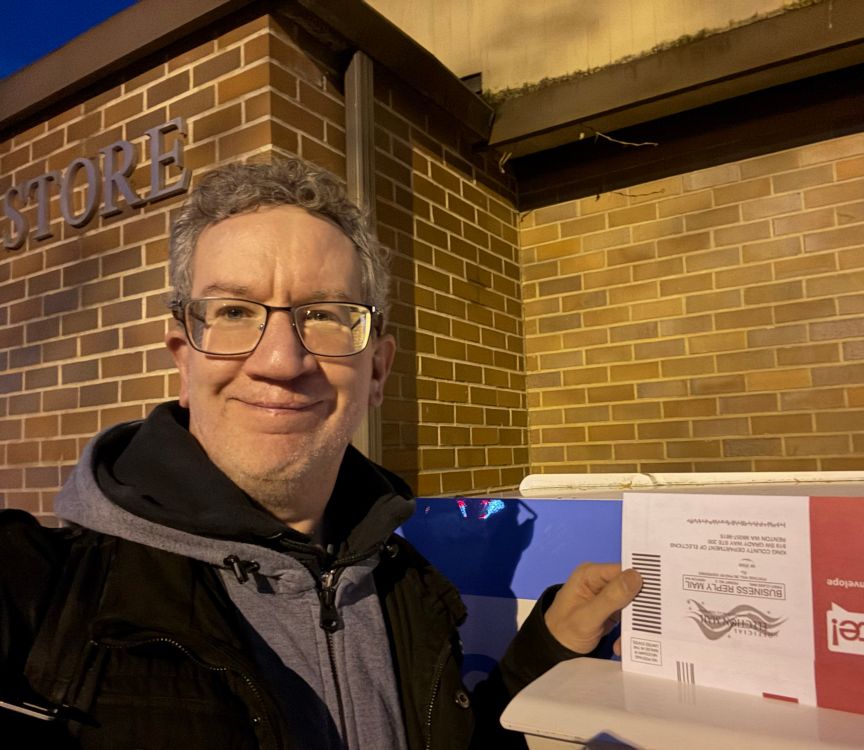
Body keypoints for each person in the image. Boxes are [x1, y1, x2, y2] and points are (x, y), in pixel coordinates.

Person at [0, 158, 641, 749]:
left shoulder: (409, 586)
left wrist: (550, 649)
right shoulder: (43, 594)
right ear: (184, 360)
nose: (281, 361)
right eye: (233, 311)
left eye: (326, 315)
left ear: (378, 371)